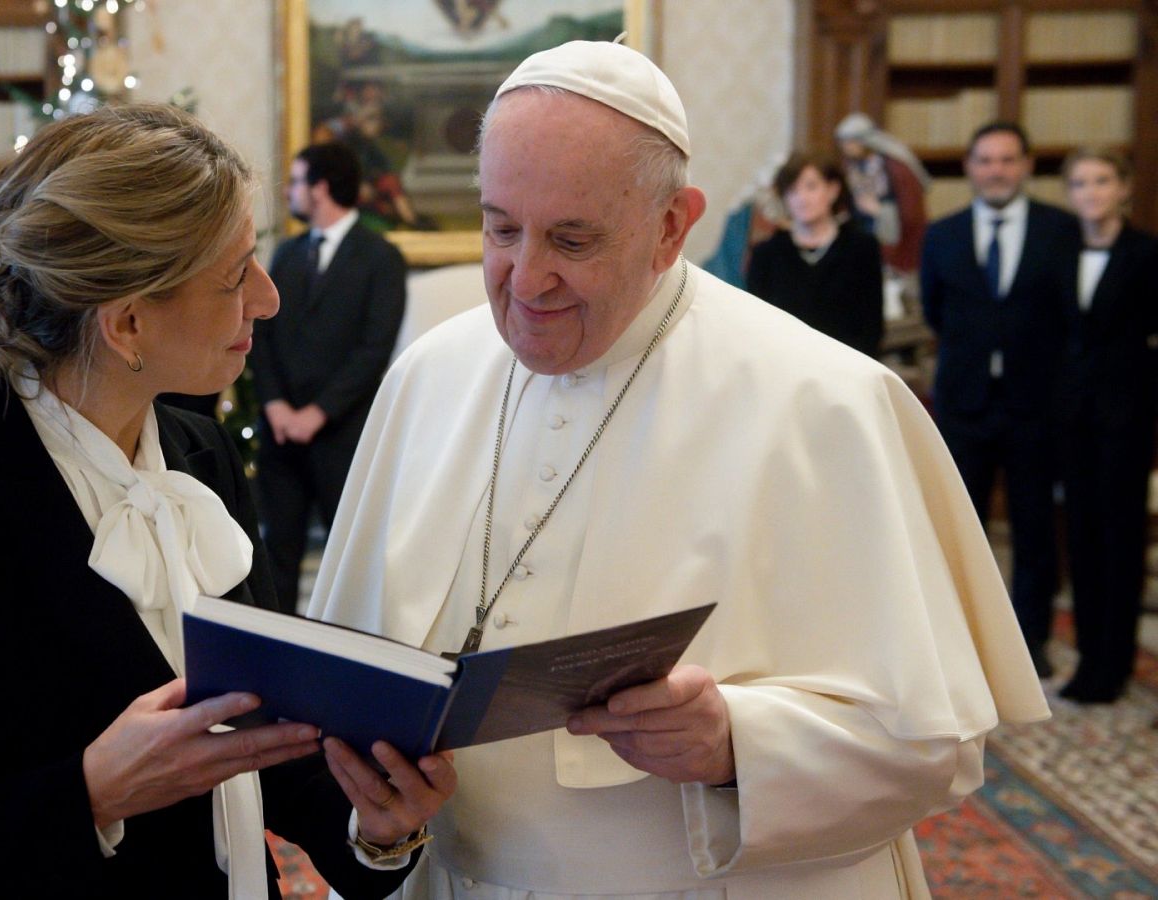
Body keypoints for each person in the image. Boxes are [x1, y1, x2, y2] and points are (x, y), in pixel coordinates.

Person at [310, 39, 1049, 897]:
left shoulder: (824, 400)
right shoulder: (428, 377)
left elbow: (937, 747)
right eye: (501, 228)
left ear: (671, 226)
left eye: (573, 239)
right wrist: (383, 818)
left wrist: (737, 744)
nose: (527, 278)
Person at [0, 105, 454, 897]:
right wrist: (90, 795)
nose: (268, 298)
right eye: (235, 273)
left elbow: (261, 741)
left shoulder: (202, 456)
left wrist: (374, 828)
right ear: (128, 321)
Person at [920, 122, 1080, 675]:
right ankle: (963, 647)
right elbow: (935, 310)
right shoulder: (943, 234)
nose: (996, 170)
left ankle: (1028, 645)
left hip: (1035, 405)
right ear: (969, 167)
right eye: (985, 160)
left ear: (1028, 166)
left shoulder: (1061, 231)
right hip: (964, 405)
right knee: (963, 533)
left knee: (1036, 532)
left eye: (1007, 160)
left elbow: (1067, 315)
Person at [249, 141, 405, 612]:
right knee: (276, 558)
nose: (291, 192)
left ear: (319, 188)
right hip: (282, 437)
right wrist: (275, 405)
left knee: (349, 563)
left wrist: (317, 413)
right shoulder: (287, 254)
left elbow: (374, 349)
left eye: (297, 181)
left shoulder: (380, 257)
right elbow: (263, 335)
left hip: (343, 436)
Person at [1055, 147, 1158, 704]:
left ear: (1124, 187)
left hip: (1126, 418)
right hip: (1073, 418)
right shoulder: (1061, 250)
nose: (1090, 192)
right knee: (1084, 538)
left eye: (1101, 181)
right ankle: (1090, 659)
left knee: (1120, 539)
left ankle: (1115, 664)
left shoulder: (1147, 254)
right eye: (1079, 183)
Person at [746, 150, 885, 357]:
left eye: (811, 187)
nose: (801, 198)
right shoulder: (767, 254)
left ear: (832, 190)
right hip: (784, 369)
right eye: (792, 190)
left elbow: (871, 327)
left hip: (846, 370)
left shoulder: (861, 249)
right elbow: (757, 327)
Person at [835, 112, 931, 274]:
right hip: (860, 232)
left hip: (890, 235)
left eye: (850, 142)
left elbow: (910, 212)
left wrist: (880, 211)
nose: (846, 147)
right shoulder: (850, 166)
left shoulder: (895, 168)